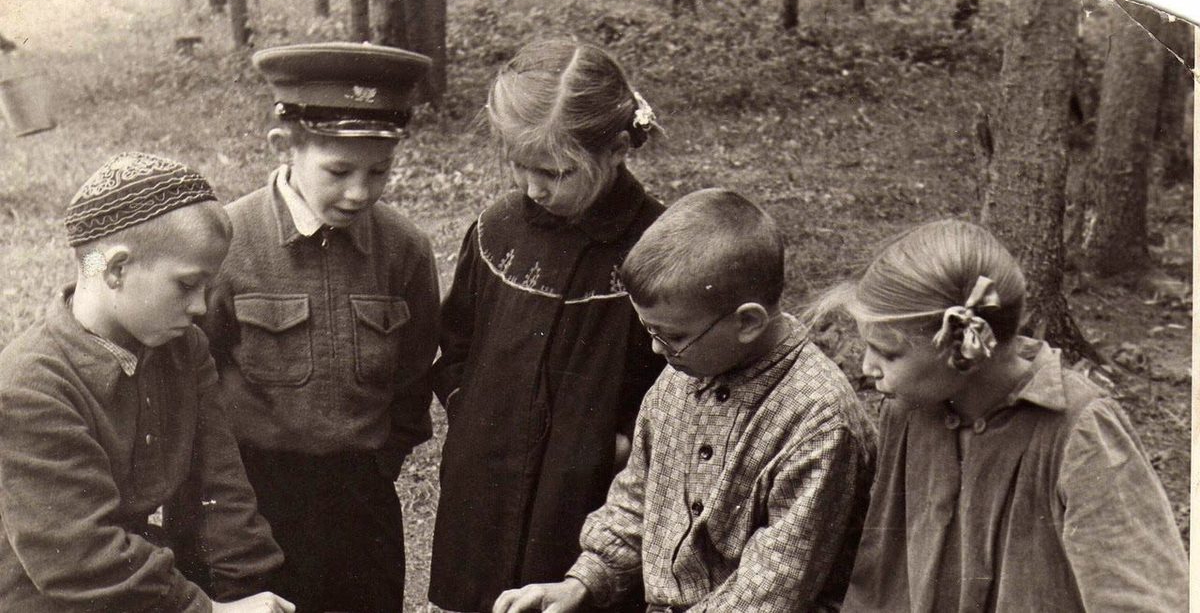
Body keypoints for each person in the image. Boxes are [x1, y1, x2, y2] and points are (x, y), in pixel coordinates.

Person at [494, 188, 876, 613]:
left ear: (748, 322)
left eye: (672, 335)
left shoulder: (819, 422)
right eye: (651, 331)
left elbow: (772, 587)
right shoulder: (686, 371)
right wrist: (583, 581)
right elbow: (637, 499)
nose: (657, 350)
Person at [809, 219, 1188, 612]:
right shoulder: (908, 412)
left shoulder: (1079, 430)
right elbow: (878, 580)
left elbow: (1143, 600)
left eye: (888, 353)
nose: (867, 367)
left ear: (964, 349)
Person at [200, 42, 440, 613]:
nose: (360, 191)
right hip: (251, 499)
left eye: (379, 171)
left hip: (361, 500)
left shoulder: (405, 249)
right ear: (285, 147)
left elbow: (412, 375)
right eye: (338, 170)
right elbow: (193, 374)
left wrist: (381, 463)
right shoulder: (227, 242)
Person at [429, 38, 668, 612]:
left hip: (585, 497)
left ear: (615, 150)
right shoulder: (497, 228)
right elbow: (456, 338)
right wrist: (472, 412)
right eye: (518, 166)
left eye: (555, 172)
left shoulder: (658, 245)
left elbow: (676, 374)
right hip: (483, 487)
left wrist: (617, 447)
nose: (532, 187)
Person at [0, 152, 292, 612]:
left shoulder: (183, 349)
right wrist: (209, 610)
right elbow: (78, 558)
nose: (200, 306)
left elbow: (220, 484)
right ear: (115, 270)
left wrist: (249, 588)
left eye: (207, 287)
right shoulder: (29, 386)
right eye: (186, 285)